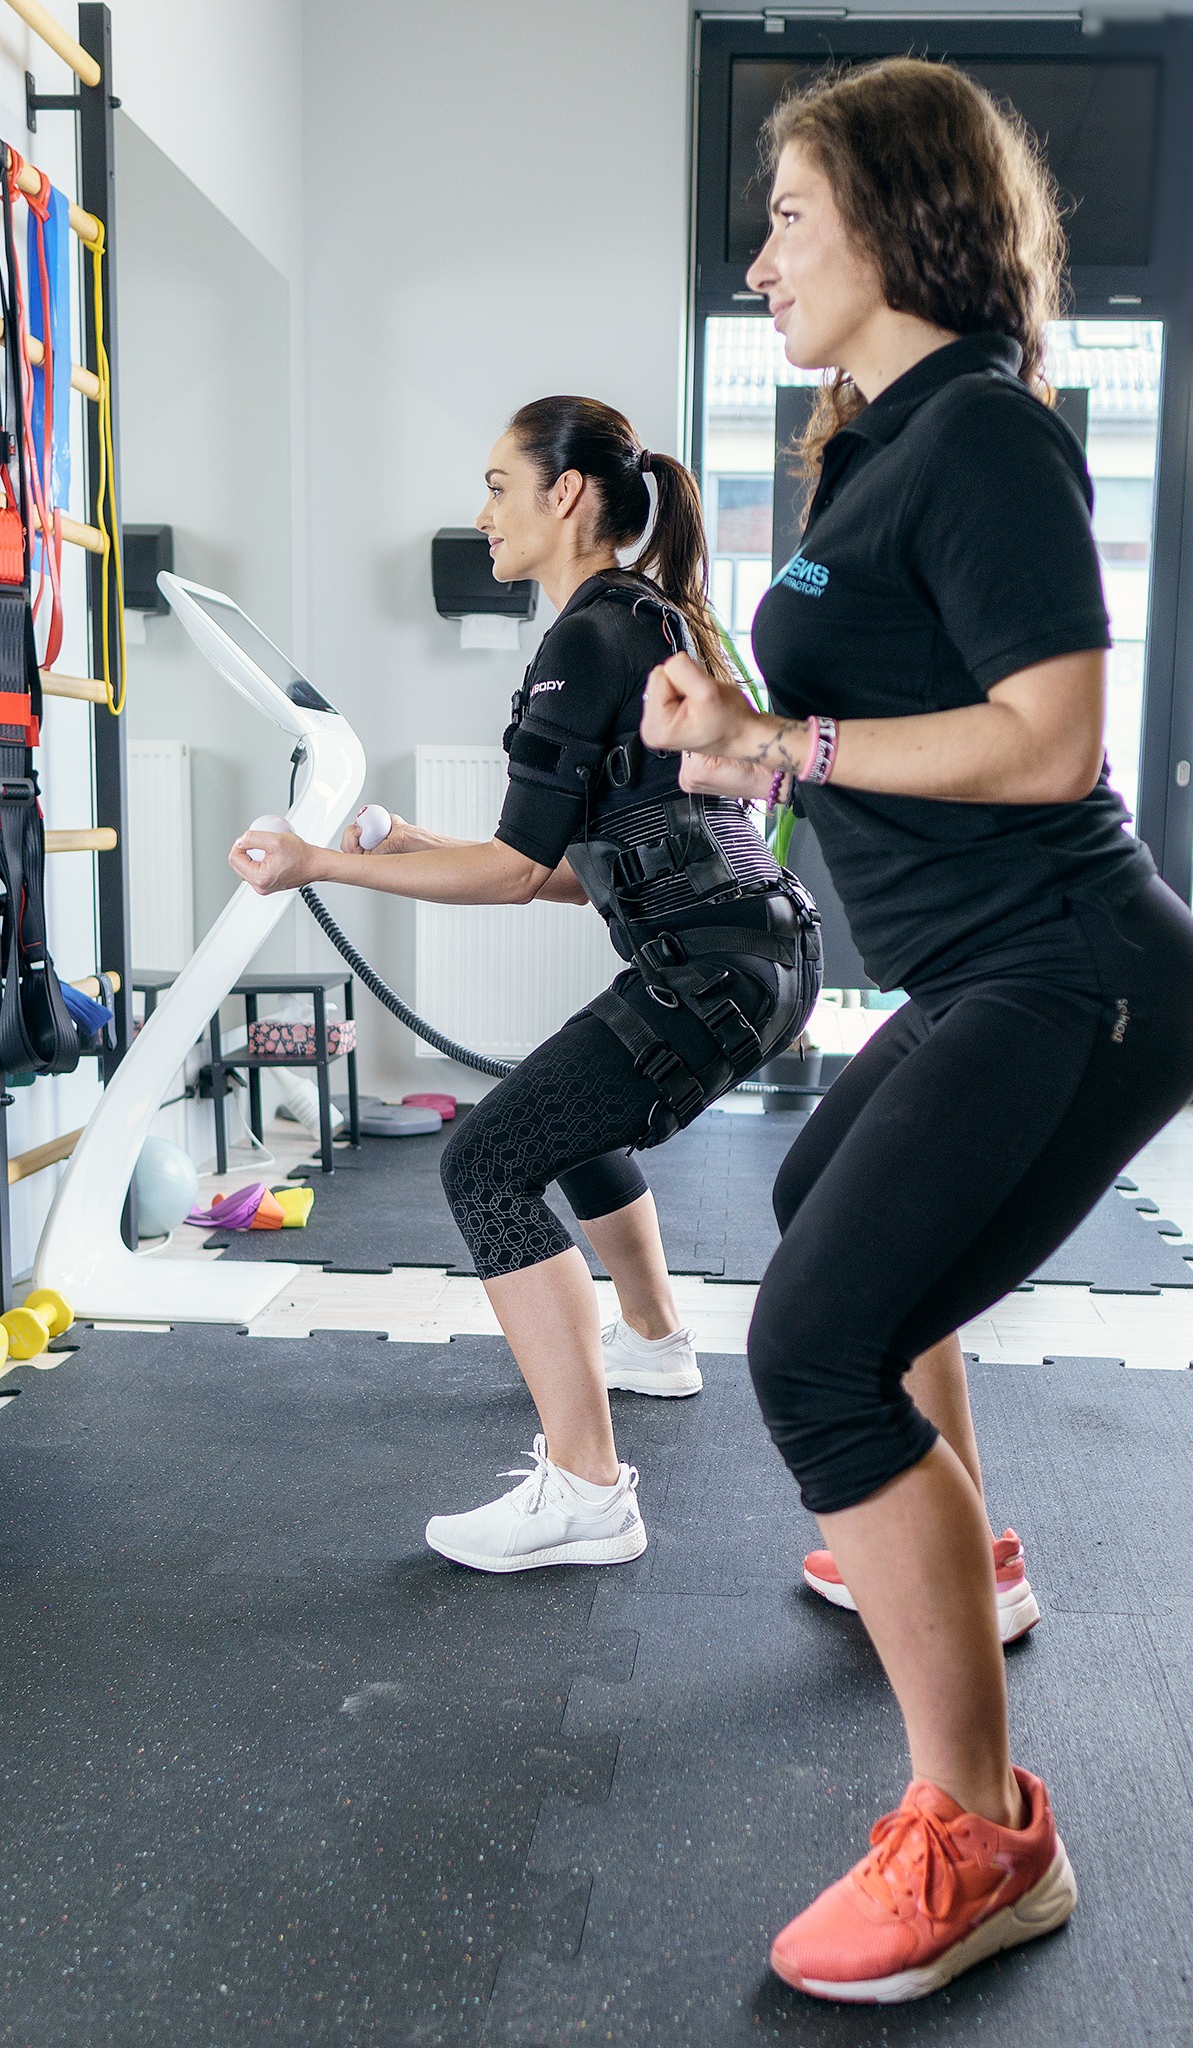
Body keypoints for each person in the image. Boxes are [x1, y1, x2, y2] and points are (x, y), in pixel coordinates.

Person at [639, 59, 1193, 2006]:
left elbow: (1051, 742)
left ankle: (982, 1839)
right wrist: (734, 719)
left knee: (812, 1347)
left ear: (893, 220)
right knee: (827, 1202)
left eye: (791, 215)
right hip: (991, 971)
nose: (762, 256)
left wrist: (784, 739)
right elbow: (870, 699)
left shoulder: (980, 431)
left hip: (1078, 965)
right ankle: (962, 1549)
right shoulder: (867, 445)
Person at [232, 395, 820, 1576]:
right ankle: (652, 1342)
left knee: (484, 1161)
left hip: (717, 968)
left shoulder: (590, 636)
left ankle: (590, 1491)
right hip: (754, 954)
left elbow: (511, 877)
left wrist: (318, 860)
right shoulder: (647, 619)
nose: (483, 510)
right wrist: (400, 842)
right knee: (553, 1109)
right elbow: (574, 871)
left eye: (501, 485)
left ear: (566, 496)